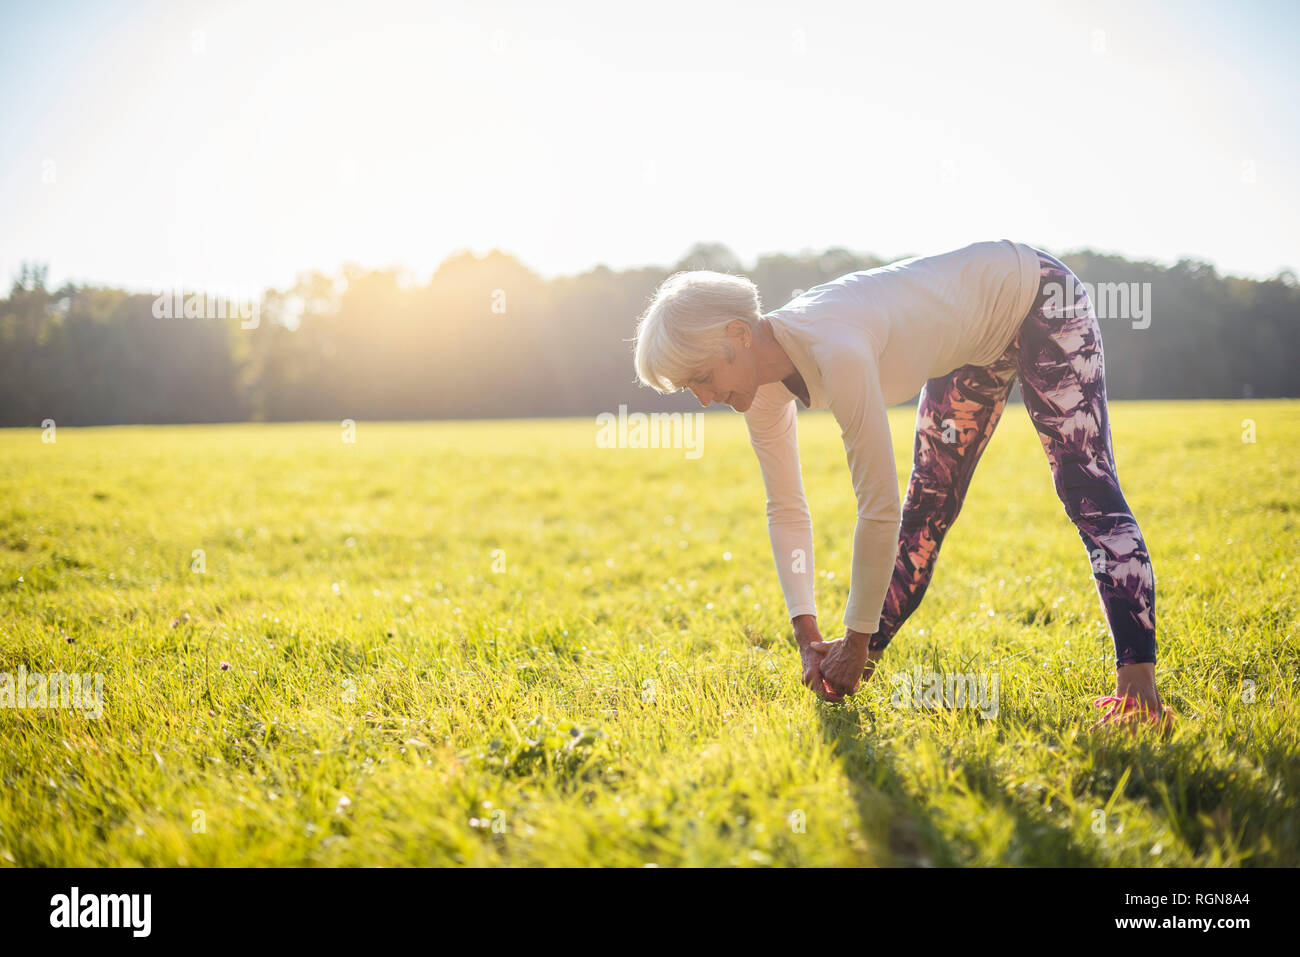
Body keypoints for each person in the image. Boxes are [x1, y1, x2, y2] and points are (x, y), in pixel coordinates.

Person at [631, 240, 1172, 729]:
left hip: (1037, 297)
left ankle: (1138, 692)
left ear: (738, 336)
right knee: (927, 509)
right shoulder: (758, 387)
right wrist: (809, 636)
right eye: (689, 388)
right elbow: (786, 509)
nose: (703, 398)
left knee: (1086, 487)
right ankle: (855, 659)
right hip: (969, 347)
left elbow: (876, 508)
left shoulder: (833, 347)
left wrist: (856, 632)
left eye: (701, 378)